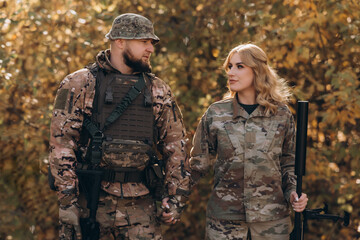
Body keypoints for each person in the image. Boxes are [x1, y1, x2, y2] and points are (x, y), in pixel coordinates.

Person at [49, 13, 190, 240]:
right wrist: (67, 202)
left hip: (141, 208)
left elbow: (176, 147)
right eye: (144, 42)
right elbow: (61, 145)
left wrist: (174, 198)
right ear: (120, 42)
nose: (150, 49)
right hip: (90, 204)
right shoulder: (80, 84)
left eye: (151, 43)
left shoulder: (158, 90)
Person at [189, 43, 308, 240]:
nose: (231, 73)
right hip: (225, 223)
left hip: (272, 221)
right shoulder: (216, 113)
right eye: (230, 67)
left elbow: (289, 163)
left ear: (258, 70)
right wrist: (173, 201)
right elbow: (196, 166)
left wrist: (295, 193)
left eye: (239, 66)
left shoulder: (281, 114)